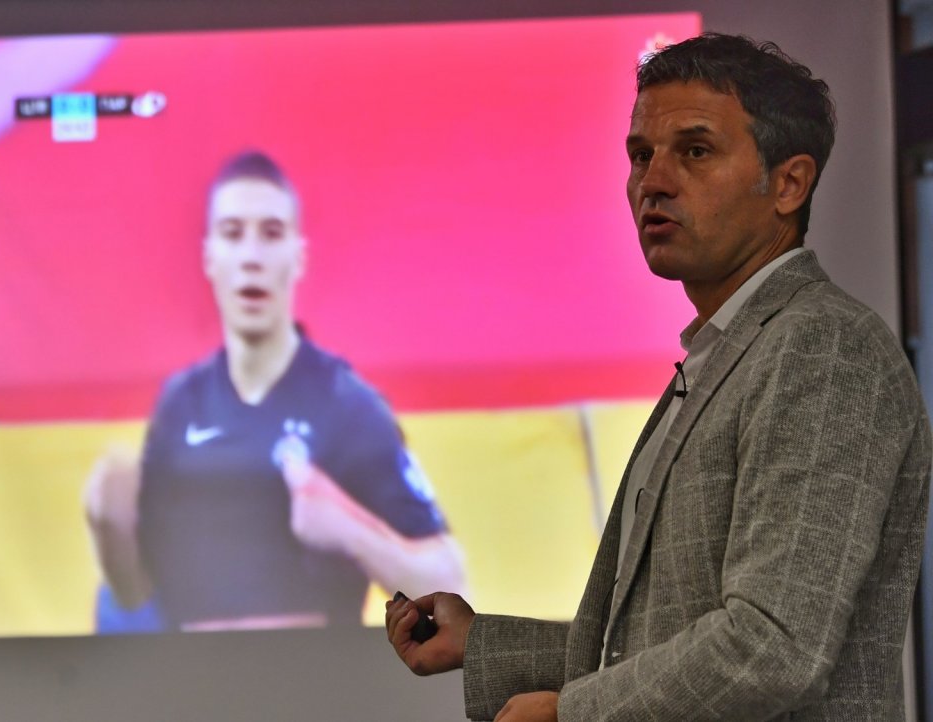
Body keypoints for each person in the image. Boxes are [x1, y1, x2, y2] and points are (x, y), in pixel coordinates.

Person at [386, 33, 932, 720]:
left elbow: (772, 647)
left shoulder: (824, 347)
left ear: (788, 184)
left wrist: (569, 714)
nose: (654, 181)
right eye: (642, 155)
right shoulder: (729, 351)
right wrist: (482, 643)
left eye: (695, 151)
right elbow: (655, 642)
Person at [85, 150, 467, 632]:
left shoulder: (349, 408)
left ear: (297, 257)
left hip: (306, 675)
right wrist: (112, 530)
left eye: (270, 234)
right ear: (209, 258)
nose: (251, 257)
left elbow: (452, 588)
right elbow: (135, 599)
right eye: (232, 234)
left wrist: (349, 529)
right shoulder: (180, 405)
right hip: (194, 675)